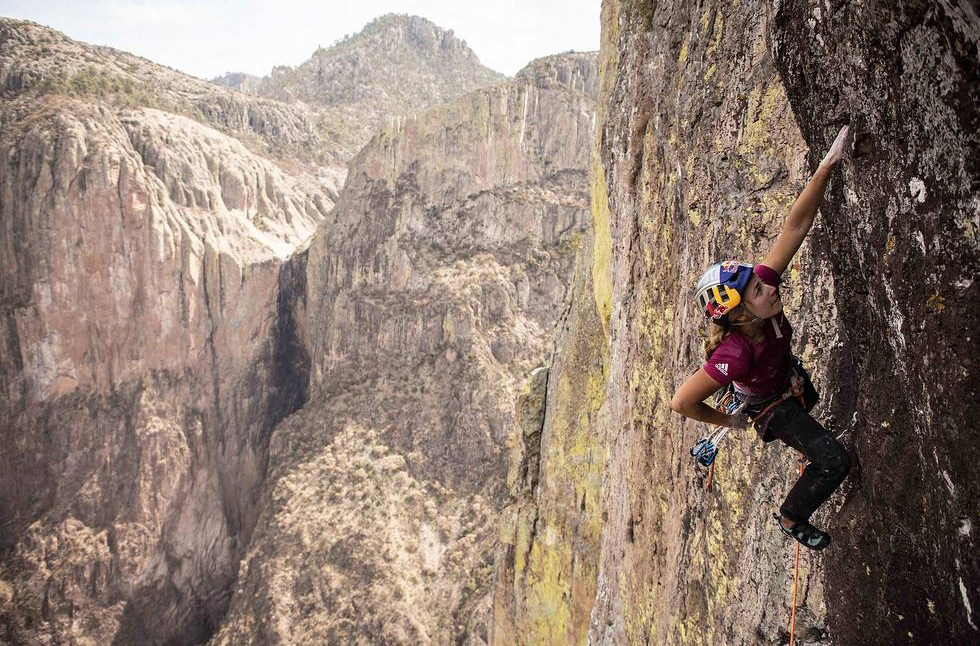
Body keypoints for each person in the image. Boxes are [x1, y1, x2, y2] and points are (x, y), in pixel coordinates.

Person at [670, 125, 853, 551]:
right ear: (737, 313)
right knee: (834, 460)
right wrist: (728, 421)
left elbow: (794, 227)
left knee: (812, 398)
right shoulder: (735, 354)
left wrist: (826, 165)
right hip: (769, 407)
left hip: (784, 380)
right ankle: (792, 517)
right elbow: (682, 401)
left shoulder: (760, 294)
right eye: (757, 290)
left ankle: (804, 444)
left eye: (760, 282)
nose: (770, 287)